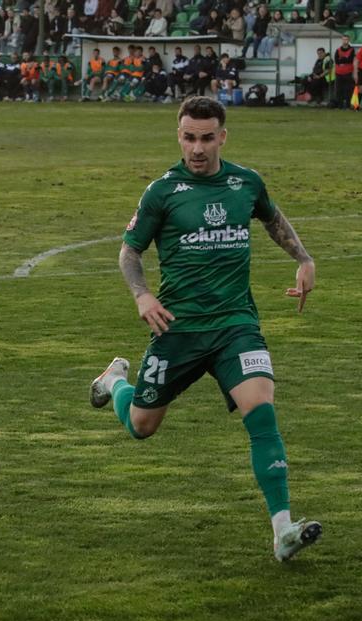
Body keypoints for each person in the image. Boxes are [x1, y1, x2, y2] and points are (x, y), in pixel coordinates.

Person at [89, 97, 322, 563]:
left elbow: (272, 217)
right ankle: (114, 381)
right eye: (189, 137)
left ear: (223, 136)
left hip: (237, 325)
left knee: (262, 411)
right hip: (178, 330)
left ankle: (282, 531)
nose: (198, 147)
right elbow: (129, 252)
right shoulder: (162, 192)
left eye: (207, 137)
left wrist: (303, 258)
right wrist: (142, 295)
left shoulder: (245, 182)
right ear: (179, 136)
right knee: (142, 426)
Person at [333, 34, 356, 109]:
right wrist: (344, 59)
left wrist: (342, 59)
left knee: (348, 90)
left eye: (346, 39)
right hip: (338, 73)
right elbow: (336, 61)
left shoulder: (352, 50)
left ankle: (348, 105)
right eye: (344, 39)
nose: (345, 41)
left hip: (348, 72)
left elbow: (350, 60)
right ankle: (340, 106)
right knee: (339, 90)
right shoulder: (338, 50)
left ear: (348, 40)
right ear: (342, 40)